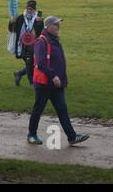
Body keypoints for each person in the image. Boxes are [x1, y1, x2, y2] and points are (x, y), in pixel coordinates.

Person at [26, 16, 89, 147]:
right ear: (48, 27)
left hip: (56, 85)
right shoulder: (41, 42)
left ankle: (72, 137)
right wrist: (54, 76)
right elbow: (41, 63)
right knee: (38, 109)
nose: (58, 27)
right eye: (55, 25)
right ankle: (31, 135)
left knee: (62, 110)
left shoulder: (54, 41)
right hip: (44, 84)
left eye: (58, 25)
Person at [9, 0, 42, 86]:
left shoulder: (38, 19)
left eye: (31, 9)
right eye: (28, 8)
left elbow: (41, 32)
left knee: (32, 64)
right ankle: (32, 83)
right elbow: (12, 29)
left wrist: (39, 23)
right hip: (23, 45)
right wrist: (11, 22)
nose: (29, 10)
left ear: (34, 10)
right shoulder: (20, 18)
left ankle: (19, 74)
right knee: (30, 63)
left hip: (35, 44)